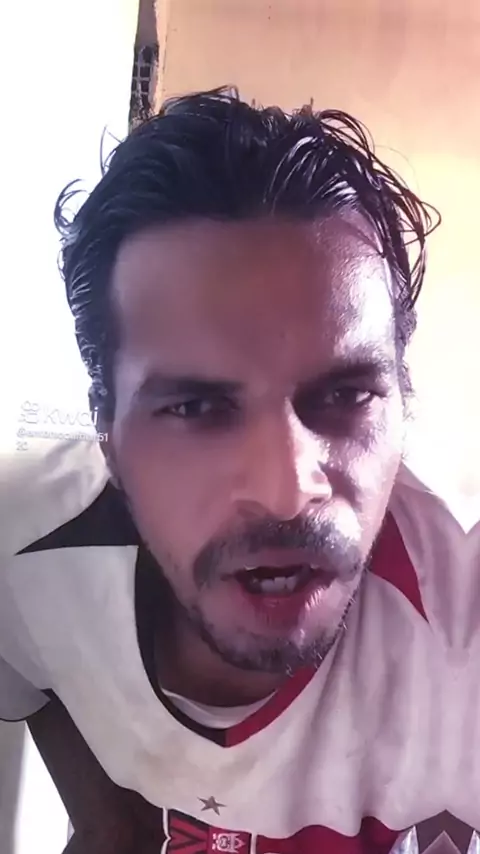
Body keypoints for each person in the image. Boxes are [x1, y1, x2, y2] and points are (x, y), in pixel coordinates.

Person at [0, 87, 475, 853]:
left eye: (346, 395)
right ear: (108, 432)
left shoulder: (463, 614)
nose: (287, 492)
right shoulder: (21, 551)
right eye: (196, 408)